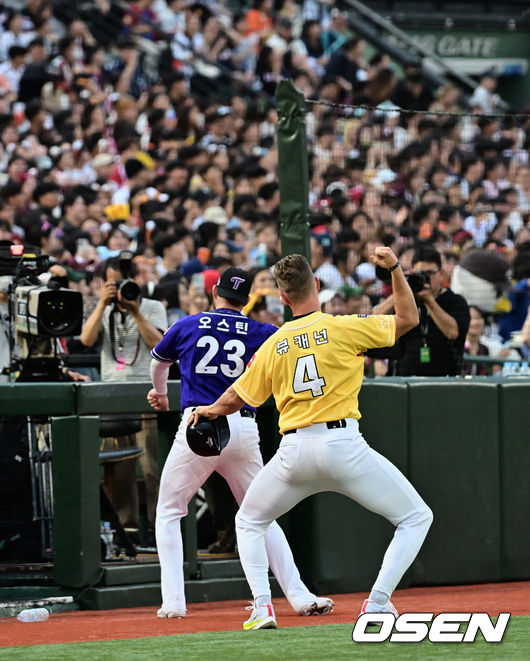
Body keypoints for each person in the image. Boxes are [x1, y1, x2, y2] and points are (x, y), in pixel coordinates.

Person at [190, 250, 433, 629]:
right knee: (416, 517)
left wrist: (208, 410)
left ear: (283, 298)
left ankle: (262, 607)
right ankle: (378, 602)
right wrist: (395, 269)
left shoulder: (273, 342)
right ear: (316, 285)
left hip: (294, 452)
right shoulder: (343, 327)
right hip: (343, 446)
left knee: (250, 522)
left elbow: (236, 398)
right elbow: (409, 318)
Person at [147, 266, 333, 619]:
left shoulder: (189, 323)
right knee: (261, 515)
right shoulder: (262, 330)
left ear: (215, 291)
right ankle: (299, 595)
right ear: (247, 299)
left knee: (170, 511)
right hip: (242, 426)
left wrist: (160, 394)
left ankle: (174, 602)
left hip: (198, 425)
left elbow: (158, 362)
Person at [81, 255, 167, 543]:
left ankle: (159, 529)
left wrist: (136, 311)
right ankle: (126, 531)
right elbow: (86, 339)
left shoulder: (152, 306)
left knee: (153, 467)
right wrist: (102, 304)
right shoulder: (101, 309)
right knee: (121, 470)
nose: (117, 288)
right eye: (111, 283)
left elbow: (159, 344)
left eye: (121, 282)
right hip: (113, 397)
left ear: (134, 280)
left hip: (147, 393)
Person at [375, 245, 470, 376]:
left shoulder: (456, 301)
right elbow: (374, 320)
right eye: (420, 274)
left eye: (430, 273)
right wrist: (402, 288)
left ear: (441, 274)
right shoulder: (405, 300)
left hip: (444, 382)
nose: (425, 278)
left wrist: (429, 300)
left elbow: (453, 333)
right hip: (403, 380)